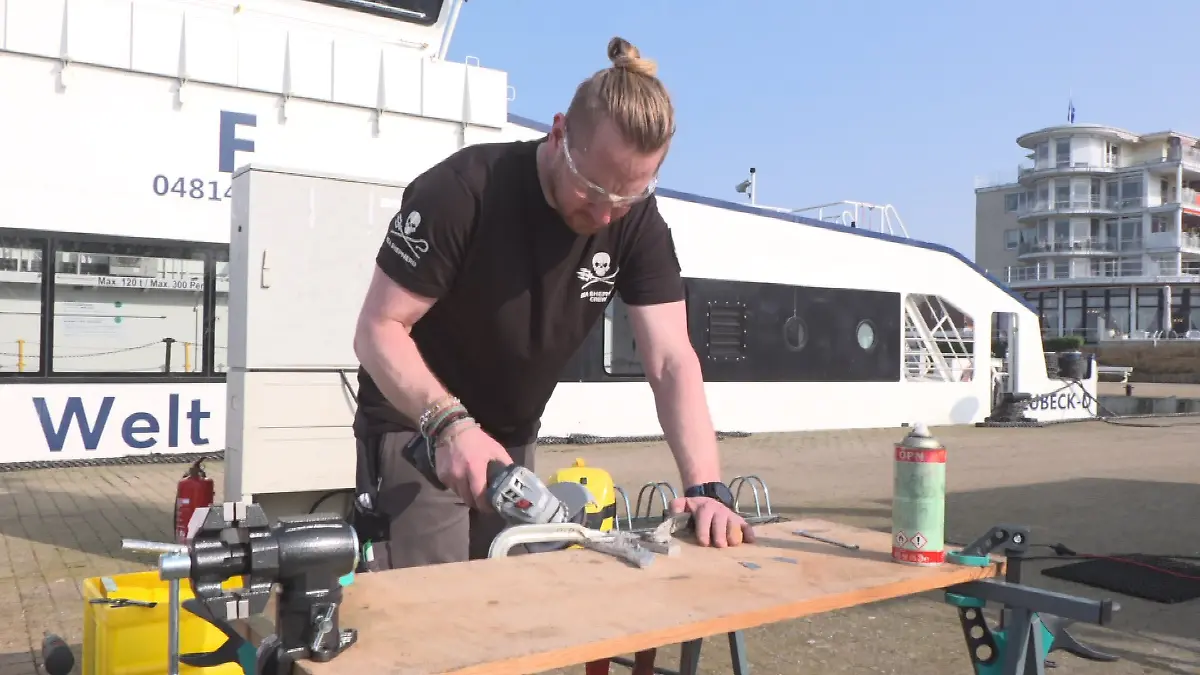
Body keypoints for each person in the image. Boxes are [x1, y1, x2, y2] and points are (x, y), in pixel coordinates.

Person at [350, 36, 755, 571]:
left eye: (628, 196)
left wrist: (705, 487)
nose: (609, 214)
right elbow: (378, 329)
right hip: (417, 431)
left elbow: (671, 359)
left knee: (515, 610)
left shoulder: (637, 224)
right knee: (437, 617)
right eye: (593, 189)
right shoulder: (461, 192)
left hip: (512, 442)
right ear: (559, 133)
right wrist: (450, 426)